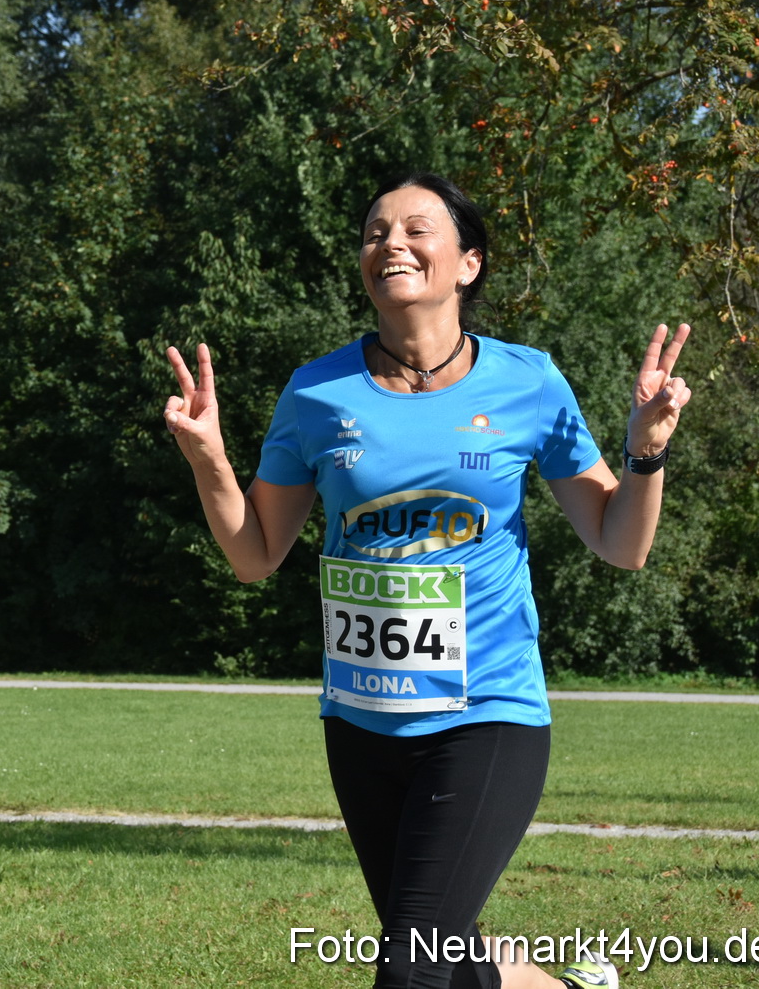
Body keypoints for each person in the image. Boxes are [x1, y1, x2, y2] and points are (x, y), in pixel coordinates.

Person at [162, 172, 690, 989]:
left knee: (410, 968)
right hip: (362, 722)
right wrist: (209, 460)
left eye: (415, 229)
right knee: (447, 953)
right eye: (375, 233)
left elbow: (620, 542)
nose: (390, 245)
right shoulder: (316, 391)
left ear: (468, 262)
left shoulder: (528, 381)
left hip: (489, 714)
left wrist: (646, 449)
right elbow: (254, 554)